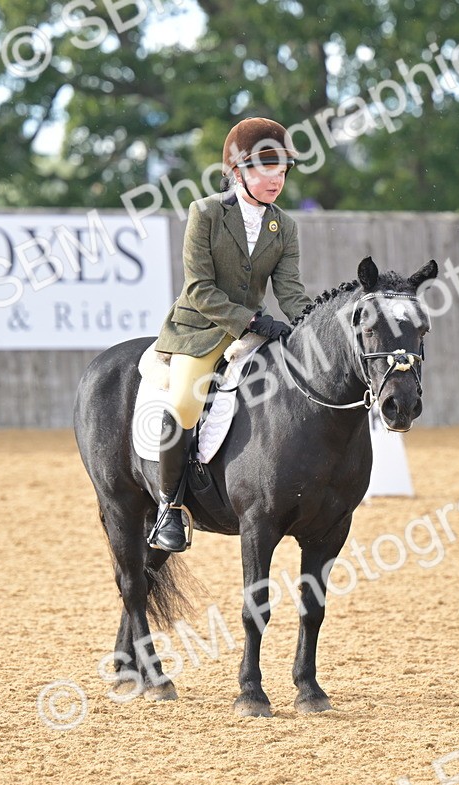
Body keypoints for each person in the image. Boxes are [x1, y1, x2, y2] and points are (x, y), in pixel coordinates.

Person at [147, 117, 313, 552]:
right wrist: (256, 322)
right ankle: (170, 506)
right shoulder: (205, 213)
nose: (276, 178)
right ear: (238, 172)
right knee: (185, 401)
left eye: (281, 169)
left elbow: (291, 293)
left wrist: (311, 325)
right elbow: (199, 289)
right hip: (200, 330)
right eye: (264, 168)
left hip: (251, 334)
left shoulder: (285, 227)